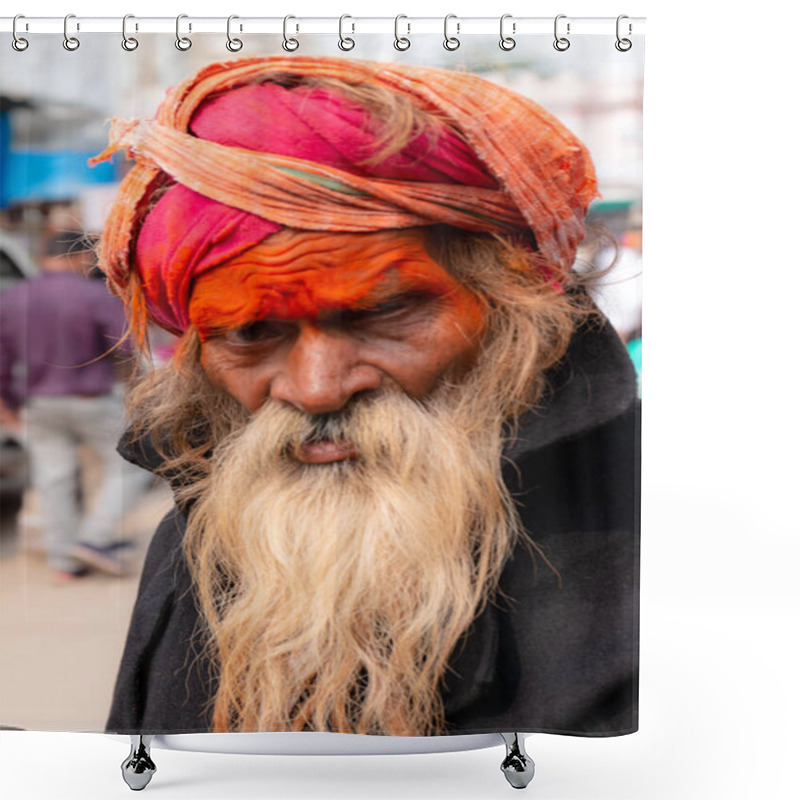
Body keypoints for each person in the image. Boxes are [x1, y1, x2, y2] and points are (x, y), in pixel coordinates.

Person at [95, 57, 639, 737]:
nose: (318, 388)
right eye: (251, 333)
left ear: (513, 306)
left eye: (383, 314)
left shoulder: (660, 544)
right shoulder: (196, 538)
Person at [0, 232, 137, 580]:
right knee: (131, 467)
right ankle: (94, 538)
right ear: (81, 258)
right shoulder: (92, 296)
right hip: (89, 401)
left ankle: (64, 561)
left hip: (37, 404)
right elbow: (126, 345)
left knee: (54, 478)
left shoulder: (13, 298)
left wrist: (7, 403)